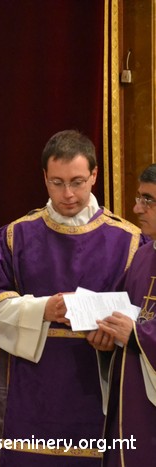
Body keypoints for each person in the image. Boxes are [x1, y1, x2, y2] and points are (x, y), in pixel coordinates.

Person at [0, 129, 145, 466]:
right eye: (57, 183)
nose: (68, 194)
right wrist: (42, 309)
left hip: (100, 387)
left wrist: (117, 336)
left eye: (77, 182)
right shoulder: (16, 236)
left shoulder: (130, 242)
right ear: (44, 178)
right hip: (32, 392)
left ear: (94, 175)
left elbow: (146, 317)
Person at [94, 163, 156, 466]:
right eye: (138, 198)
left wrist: (137, 335)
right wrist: (104, 334)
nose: (136, 208)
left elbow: (134, 329)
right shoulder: (144, 256)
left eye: (148, 200)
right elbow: (120, 310)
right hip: (131, 397)